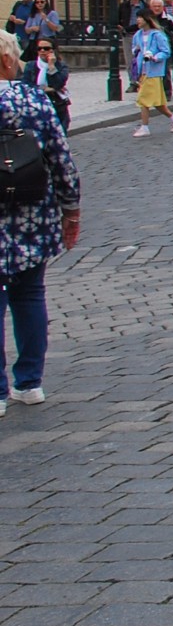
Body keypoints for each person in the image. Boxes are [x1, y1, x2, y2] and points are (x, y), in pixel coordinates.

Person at [0, 31, 80, 415]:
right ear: (7, 61)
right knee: (30, 295)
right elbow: (61, 158)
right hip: (31, 212)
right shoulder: (33, 99)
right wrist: (71, 209)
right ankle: (29, 382)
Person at [130, 7, 173, 138]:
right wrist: (137, 51)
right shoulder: (138, 35)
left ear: (147, 19)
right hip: (143, 72)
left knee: (143, 100)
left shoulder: (157, 35)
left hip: (154, 72)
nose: (138, 20)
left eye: (140, 17)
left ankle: (145, 127)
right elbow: (134, 49)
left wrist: (155, 57)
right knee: (157, 103)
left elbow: (166, 51)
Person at [30, 38, 69, 131]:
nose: (42, 50)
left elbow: (59, 83)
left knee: (60, 133)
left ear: (53, 50)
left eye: (46, 48)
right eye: (40, 48)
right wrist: (42, 89)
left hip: (56, 104)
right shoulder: (31, 66)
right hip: (36, 103)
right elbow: (26, 84)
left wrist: (51, 66)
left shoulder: (60, 66)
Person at [117, 0, 145, 92]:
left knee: (142, 59)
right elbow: (118, 19)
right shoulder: (123, 6)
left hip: (141, 35)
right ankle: (133, 82)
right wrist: (121, 27)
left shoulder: (144, 6)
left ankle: (141, 81)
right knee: (130, 61)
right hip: (128, 36)